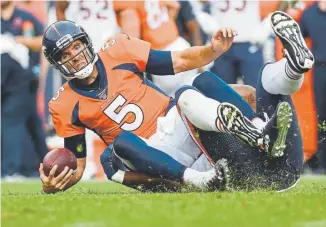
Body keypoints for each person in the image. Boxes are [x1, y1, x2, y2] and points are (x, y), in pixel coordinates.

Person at [39, 11, 310, 193]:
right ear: (57, 63)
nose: (74, 56)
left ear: (86, 42)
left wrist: (212, 50)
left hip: (178, 121)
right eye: (65, 53)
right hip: (153, 152)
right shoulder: (63, 104)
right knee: (118, 146)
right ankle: (280, 89)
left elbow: (180, 61)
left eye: (76, 46)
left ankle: (257, 130)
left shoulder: (118, 50)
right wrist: (56, 183)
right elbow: (80, 164)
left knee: (192, 89)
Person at [1, 0, 48, 179]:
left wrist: (20, 41)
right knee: (32, 124)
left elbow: (44, 42)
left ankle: (11, 169)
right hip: (3, 82)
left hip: (23, 80)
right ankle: (45, 166)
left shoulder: (25, 19)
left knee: (11, 122)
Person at [299, 0, 326, 174]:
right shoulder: (308, 14)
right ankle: (324, 164)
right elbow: (298, 40)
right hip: (321, 69)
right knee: (322, 118)